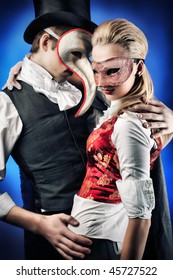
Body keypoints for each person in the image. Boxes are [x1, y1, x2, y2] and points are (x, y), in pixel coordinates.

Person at [0, 1, 173, 260]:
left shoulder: (98, 82)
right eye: (78, 54)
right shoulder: (8, 103)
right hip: (63, 249)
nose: (89, 69)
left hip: (128, 237)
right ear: (46, 42)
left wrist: (168, 122)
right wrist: (39, 224)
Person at [67, 18, 173, 260]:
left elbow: (141, 216)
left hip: (100, 244)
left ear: (138, 67)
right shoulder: (120, 113)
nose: (102, 81)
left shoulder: (128, 124)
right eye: (96, 70)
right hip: (89, 241)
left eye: (113, 70)